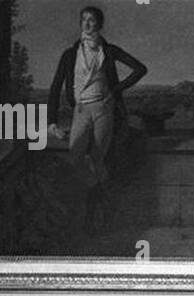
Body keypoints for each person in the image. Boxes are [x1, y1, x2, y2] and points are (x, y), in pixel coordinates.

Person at [49, 7, 147, 197]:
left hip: (104, 109)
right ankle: (98, 192)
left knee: (98, 157)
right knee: (76, 157)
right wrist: (52, 122)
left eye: (91, 20)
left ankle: (100, 200)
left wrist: (115, 90)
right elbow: (55, 87)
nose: (86, 23)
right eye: (83, 19)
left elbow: (140, 69)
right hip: (80, 110)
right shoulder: (70, 54)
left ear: (99, 24)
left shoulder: (109, 51)